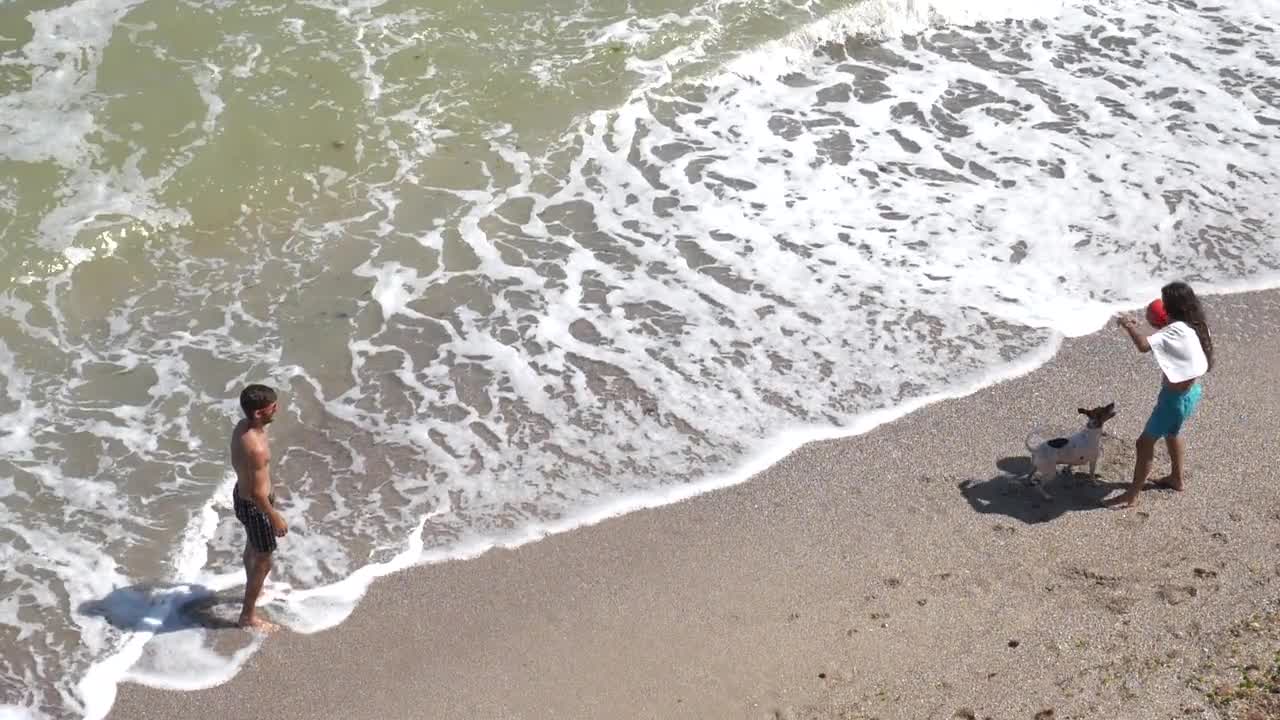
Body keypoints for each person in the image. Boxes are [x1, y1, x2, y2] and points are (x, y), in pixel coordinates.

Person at [1106, 282, 1213, 508]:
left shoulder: (1174, 329)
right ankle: (1176, 478)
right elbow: (1168, 338)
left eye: (1165, 302)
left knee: (1143, 444)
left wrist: (1128, 326)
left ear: (1171, 306)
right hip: (1192, 393)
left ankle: (1132, 495)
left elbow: (1144, 345)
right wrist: (1143, 326)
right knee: (1172, 433)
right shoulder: (1195, 325)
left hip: (1173, 401)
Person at [231, 383, 288, 631]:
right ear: (258, 413)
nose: (277, 409)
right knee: (264, 560)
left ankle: (255, 587)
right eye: (272, 407)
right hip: (256, 507)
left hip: (243, 498)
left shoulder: (244, 427)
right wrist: (274, 517)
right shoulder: (254, 447)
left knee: (252, 549)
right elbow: (256, 492)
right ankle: (248, 616)